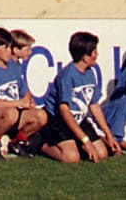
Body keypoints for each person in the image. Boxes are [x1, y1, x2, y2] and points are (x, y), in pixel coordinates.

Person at [39, 31, 119, 163]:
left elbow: (94, 105)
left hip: (79, 120)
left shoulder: (90, 73)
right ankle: (42, 146)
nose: (97, 55)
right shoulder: (66, 76)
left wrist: (108, 135)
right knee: (71, 158)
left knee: (102, 153)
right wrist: (85, 141)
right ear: (85, 57)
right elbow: (64, 111)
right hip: (60, 121)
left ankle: (75, 144)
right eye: (94, 52)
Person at [0, 26, 44, 157]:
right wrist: (18, 102)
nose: (9, 51)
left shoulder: (14, 67)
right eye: (5, 48)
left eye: (10, 47)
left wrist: (29, 101)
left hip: (14, 113)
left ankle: (19, 141)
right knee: (11, 113)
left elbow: (24, 90)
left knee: (41, 115)